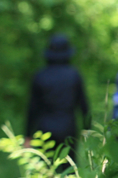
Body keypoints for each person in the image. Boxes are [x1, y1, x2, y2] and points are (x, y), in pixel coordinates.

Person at [25, 34, 91, 164]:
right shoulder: (74, 75)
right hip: (68, 128)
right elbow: (83, 105)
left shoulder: (40, 75)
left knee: (47, 170)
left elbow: (32, 108)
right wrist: (88, 129)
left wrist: (28, 135)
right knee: (69, 168)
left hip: (44, 130)